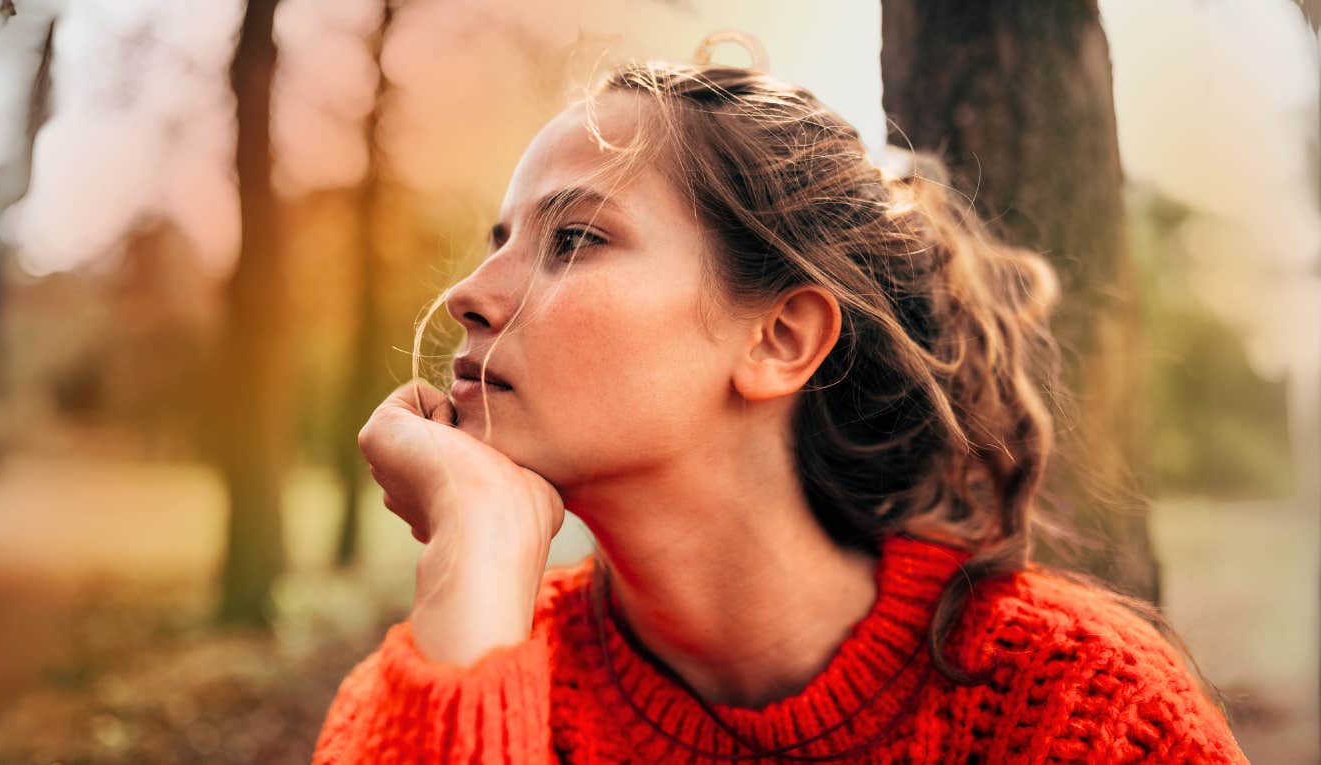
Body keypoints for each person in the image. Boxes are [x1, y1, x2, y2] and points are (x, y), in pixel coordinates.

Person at [312, 59, 1250, 764]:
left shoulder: (1084, 713)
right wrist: (474, 548)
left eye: (575, 239)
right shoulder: (438, 679)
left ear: (780, 339)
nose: (469, 292)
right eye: (501, 237)